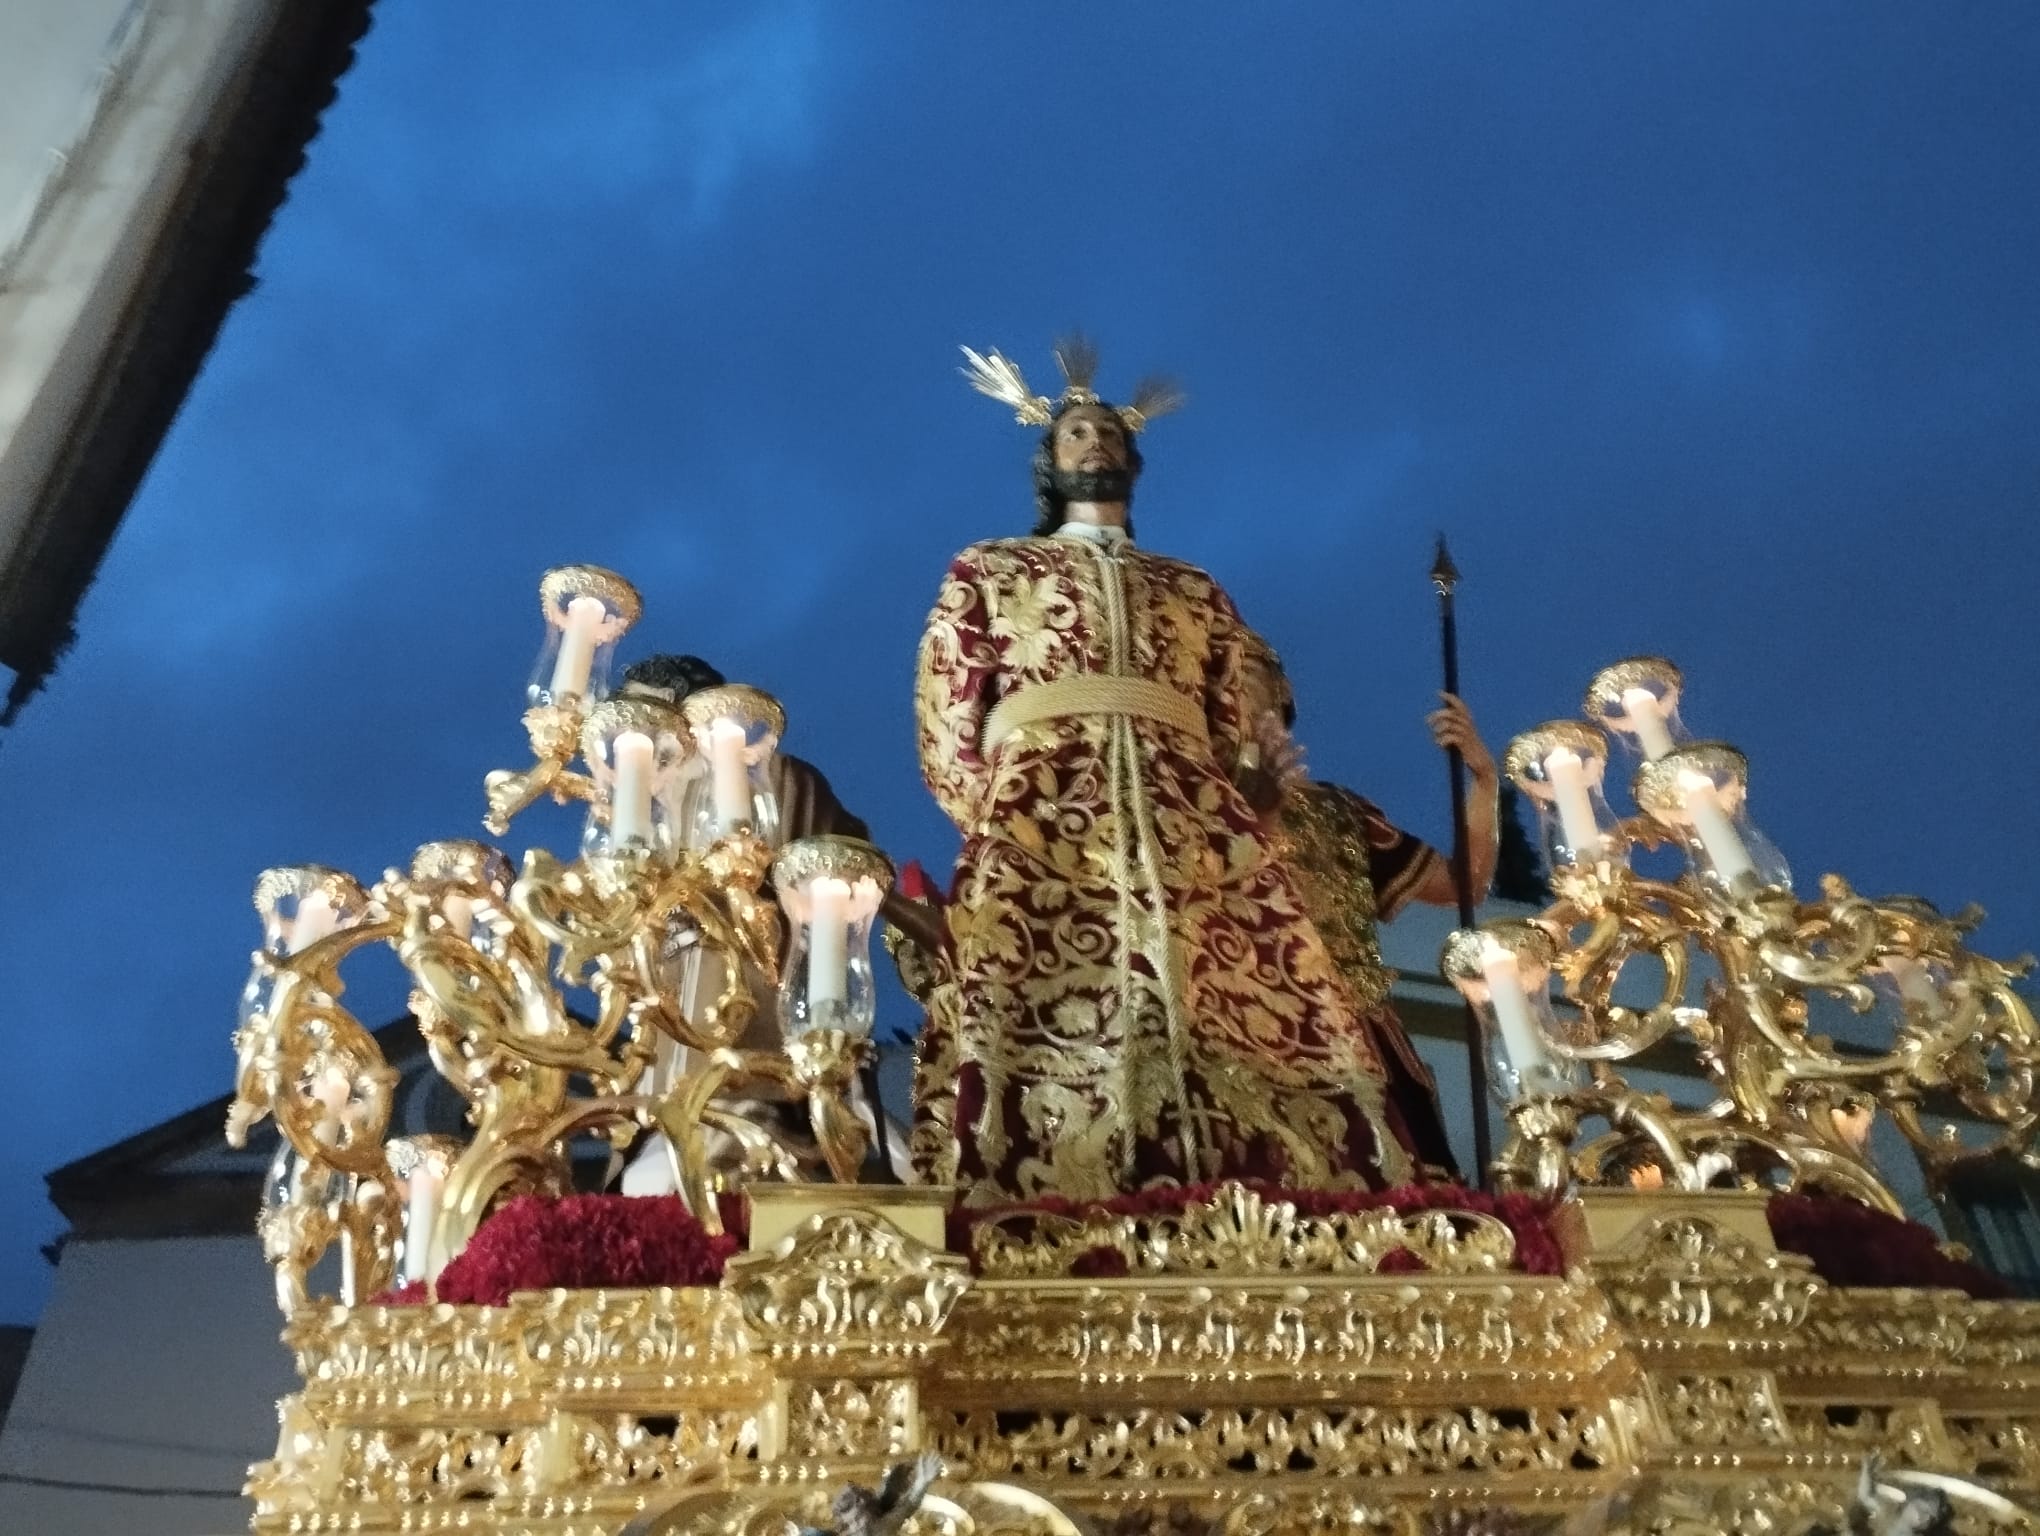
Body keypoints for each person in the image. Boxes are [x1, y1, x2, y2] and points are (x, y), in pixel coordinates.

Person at [911, 340, 1415, 1202]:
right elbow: (949, 701)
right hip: (1044, 810)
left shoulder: (1195, 587)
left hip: (1191, 813)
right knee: (1038, 989)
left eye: (1107, 432)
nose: (1093, 442)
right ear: (1049, 458)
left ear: (1134, 460)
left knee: (1238, 982)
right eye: (1074, 431)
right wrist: (995, 809)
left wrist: (1243, 791)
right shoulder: (993, 568)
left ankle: (1280, 1182)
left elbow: (1232, 709)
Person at [613, 654, 910, 1191]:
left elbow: (839, 870)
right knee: (650, 1169)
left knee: (754, 1141)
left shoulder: (779, 782)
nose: (639, 737)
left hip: (762, 999)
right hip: (667, 1019)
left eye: (651, 717)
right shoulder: (634, 809)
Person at [1235, 628, 1499, 1180]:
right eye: (1219, 675)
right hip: (1243, 1029)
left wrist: (1483, 779)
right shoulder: (1186, 802)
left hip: (1360, 1032)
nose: (1234, 689)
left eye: (1249, 673)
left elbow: (1465, 885)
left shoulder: (1340, 813)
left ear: (1281, 690)